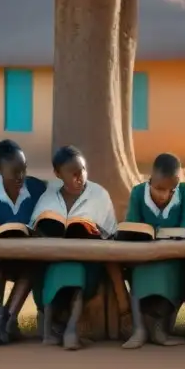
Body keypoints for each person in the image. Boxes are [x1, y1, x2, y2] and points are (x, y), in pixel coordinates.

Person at [30, 146, 117, 350]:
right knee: (47, 273)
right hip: (54, 258)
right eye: (74, 174)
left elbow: (111, 232)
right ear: (58, 174)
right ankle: (51, 329)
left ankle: (70, 330)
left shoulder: (99, 194)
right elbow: (36, 226)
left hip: (87, 259)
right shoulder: (49, 194)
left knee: (78, 276)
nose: (80, 178)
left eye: (83, 171)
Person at [121, 153, 185, 349]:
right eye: (157, 188)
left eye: (168, 190)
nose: (162, 195)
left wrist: (180, 233)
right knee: (137, 269)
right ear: (150, 180)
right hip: (145, 255)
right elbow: (132, 224)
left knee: (174, 271)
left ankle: (159, 329)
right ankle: (139, 329)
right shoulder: (138, 192)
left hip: (174, 256)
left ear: (176, 184)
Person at [0, 140, 48, 346]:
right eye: (14, 171)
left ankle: (3, 321)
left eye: (24, 169)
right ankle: (0, 317)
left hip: (28, 256)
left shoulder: (37, 188)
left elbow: (45, 223)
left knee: (34, 265)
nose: (21, 177)